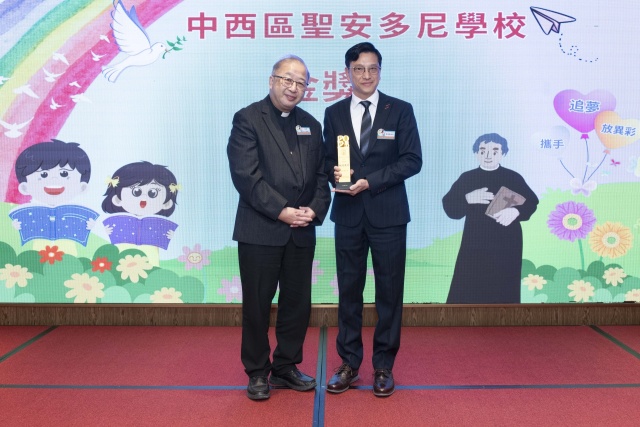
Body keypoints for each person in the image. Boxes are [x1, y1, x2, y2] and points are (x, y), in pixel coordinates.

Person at [227, 55, 331, 400]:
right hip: (261, 229)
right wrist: (282, 211)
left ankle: (286, 366)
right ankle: (258, 371)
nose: (293, 87)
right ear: (272, 80)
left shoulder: (311, 125)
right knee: (257, 305)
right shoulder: (247, 119)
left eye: (301, 82)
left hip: (302, 230)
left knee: (297, 304)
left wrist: (314, 210)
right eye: (287, 79)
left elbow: (321, 176)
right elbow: (246, 176)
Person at [323, 42, 422, 397]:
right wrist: (333, 174)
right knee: (349, 291)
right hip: (348, 214)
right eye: (359, 69)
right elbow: (327, 159)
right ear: (347, 73)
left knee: (389, 293)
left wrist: (371, 181)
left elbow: (412, 160)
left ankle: (383, 366)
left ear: (380, 71)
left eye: (372, 68)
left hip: (389, 214)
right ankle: (349, 363)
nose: (366, 75)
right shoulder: (333, 112)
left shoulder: (401, 110)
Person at [442, 133, 539, 304]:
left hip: (507, 243)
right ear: (476, 153)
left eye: (495, 151)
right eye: (482, 150)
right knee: (469, 285)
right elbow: (450, 208)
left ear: (503, 154)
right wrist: (467, 198)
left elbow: (532, 202)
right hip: (475, 242)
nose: (488, 155)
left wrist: (516, 212)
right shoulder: (467, 177)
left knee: (504, 288)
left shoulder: (512, 177)